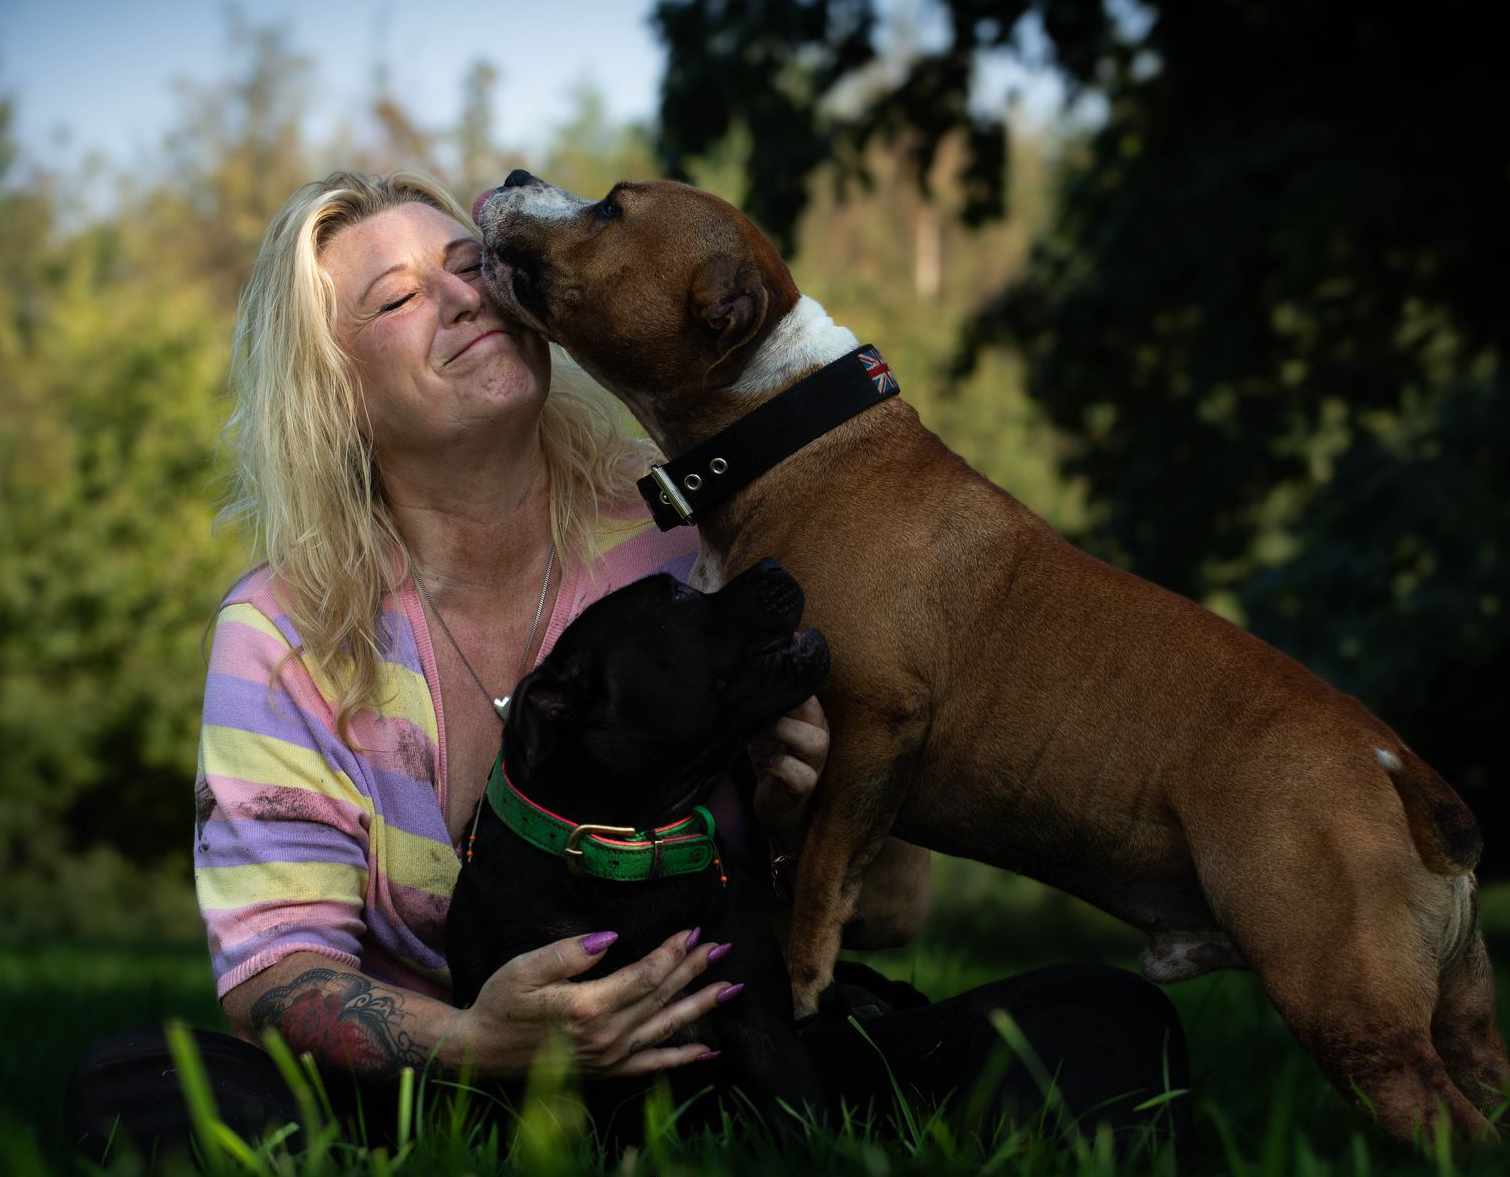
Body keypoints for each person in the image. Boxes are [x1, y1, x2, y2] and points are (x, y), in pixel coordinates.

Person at [65, 170, 1190, 1159]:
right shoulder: (284, 630)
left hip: (741, 1059)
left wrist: (811, 814)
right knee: (140, 1086)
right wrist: (482, 1040)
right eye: (399, 298)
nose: (465, 293)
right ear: (333, 390)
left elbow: (890, 913)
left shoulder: (697, 543)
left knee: (1097, 1020)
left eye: (470, 264)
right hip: (454, 1090)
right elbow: (273, 975)